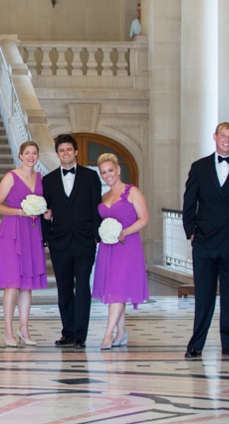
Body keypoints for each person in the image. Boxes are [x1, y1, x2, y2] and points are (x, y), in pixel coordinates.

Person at [182, 122, 229, 359]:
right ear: (215, 137)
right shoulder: (199, 167)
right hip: (204, 241)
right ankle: (196, 344)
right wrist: (190, 231)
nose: (227, 139)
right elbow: (189, 201)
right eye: (223, 135)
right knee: (203, 295)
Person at [41, 134, 102, 349]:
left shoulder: (91, 176)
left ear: (75, 152)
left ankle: (80, 335)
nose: (65, 153)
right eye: (61, 150)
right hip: (59, 243)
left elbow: (97, 207)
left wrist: (96, 237)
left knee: (83, 287)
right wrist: (47, 237)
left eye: (69, 149)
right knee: (64, 288)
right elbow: (44, 210)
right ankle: (67, 331)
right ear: (57, 154)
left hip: (85, 241)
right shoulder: (47, 180)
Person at [0, 140, 47, 347]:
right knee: (12, 283)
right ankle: (8, 331)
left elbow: (45, 204)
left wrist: (45, 212)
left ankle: (24, 328)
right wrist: (20, 212)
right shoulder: (10, 177)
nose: (31, 156)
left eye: (34, 153)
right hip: (12, 231)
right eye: (27, 153)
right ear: (21, 155)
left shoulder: (41, 178)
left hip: (32, 233)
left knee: (27, 284)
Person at [91, 153, 149, 350]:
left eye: (110, 170)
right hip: (108, 249)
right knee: (116, 290)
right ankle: (121, 332)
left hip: (127, 246)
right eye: (103, 172)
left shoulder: (132, 192)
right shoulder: (104, 196)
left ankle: (108, 335)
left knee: (117, 290)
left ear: (118, 170)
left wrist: (124, 232)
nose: (107, 175)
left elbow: (144, 219)